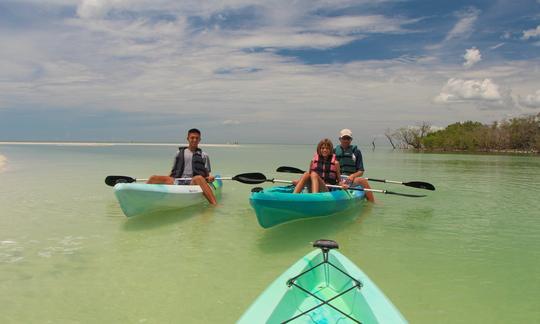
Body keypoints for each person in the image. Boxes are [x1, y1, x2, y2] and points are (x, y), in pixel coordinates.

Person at [147, 128, 217, 205]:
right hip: (177, 180)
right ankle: (143, 198)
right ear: (188, 138)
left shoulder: (204, 155)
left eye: (197, 138)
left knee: (199, 178)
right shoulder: (178, 153)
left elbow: (207, 173)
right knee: (153, 178)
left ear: (200, 139)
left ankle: (214, 204)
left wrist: (210, 178)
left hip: (193, 182)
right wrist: (167, 180)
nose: (194, 140)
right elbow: (173, 170)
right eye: (192, 138)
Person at [334, 128, 375, 202]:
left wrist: (352, 176)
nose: (346, 140)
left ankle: (372, 202)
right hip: (337, 179)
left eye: (348, 138)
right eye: (344, 138)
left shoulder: (356, 152)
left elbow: (361, 171)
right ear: (340, 139)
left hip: (350, 179)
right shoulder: (334, 151)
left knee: (362, 181)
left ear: (351, 140)